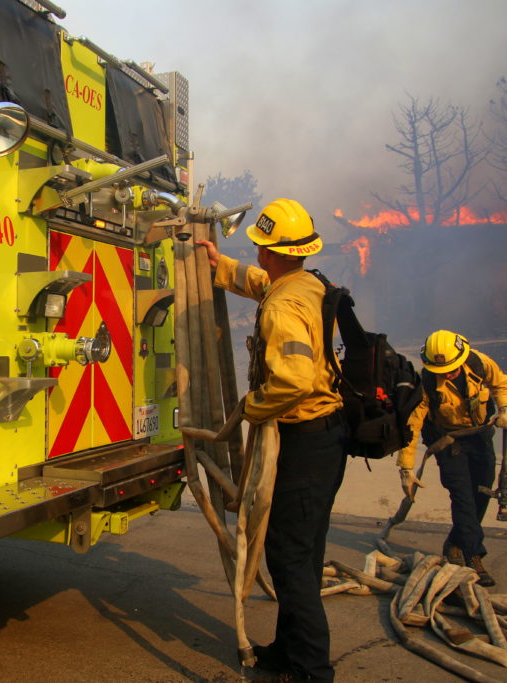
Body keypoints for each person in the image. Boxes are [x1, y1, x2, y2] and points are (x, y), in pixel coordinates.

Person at [197, 198, 346, 682]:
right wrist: (223, 267)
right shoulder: (310, 284)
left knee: (289, 559)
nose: (258, 255)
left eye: (260, 248)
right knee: (301, 553)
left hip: (304, 443)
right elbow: (267, 286)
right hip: (328, 439)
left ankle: (312, 671)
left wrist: (250, 408)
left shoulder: (282, 308)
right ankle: (288, 651)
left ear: (269, 251)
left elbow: (295, 381)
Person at [397, 330, 507, 586]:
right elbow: (413, 425)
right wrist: (406, 468)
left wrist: (505, 408)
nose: (446, 373)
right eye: (441, 370)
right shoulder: (426, 383)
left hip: (480, 437)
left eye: (450, 368)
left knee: (481, 493)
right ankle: (473, 556)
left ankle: (455, 544)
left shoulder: (480, 363)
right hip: (449, 443)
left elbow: (501, 384)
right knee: (462, 497)